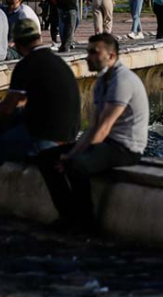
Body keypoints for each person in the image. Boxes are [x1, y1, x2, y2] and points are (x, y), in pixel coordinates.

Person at [0, 19, 81, 221]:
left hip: (44, 136)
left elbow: (9, 106)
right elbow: (20, 105)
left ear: (17, 45)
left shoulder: (26, 65)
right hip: (68, 132)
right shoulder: (57, 61)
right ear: (38, 38)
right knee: (15, 118)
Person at [44, 33, 149, 230]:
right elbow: (93, 127)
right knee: (46, 157)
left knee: (75, 164)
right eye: (88, 51)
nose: (87, 57)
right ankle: (67, 215)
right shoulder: (102, 81)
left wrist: (71, 156)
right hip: (107, 143)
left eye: (94, 52)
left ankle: (86, 222)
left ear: (111, 56)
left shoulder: (122, 80)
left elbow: (103, 129)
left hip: (125, 148)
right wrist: (68, 153)